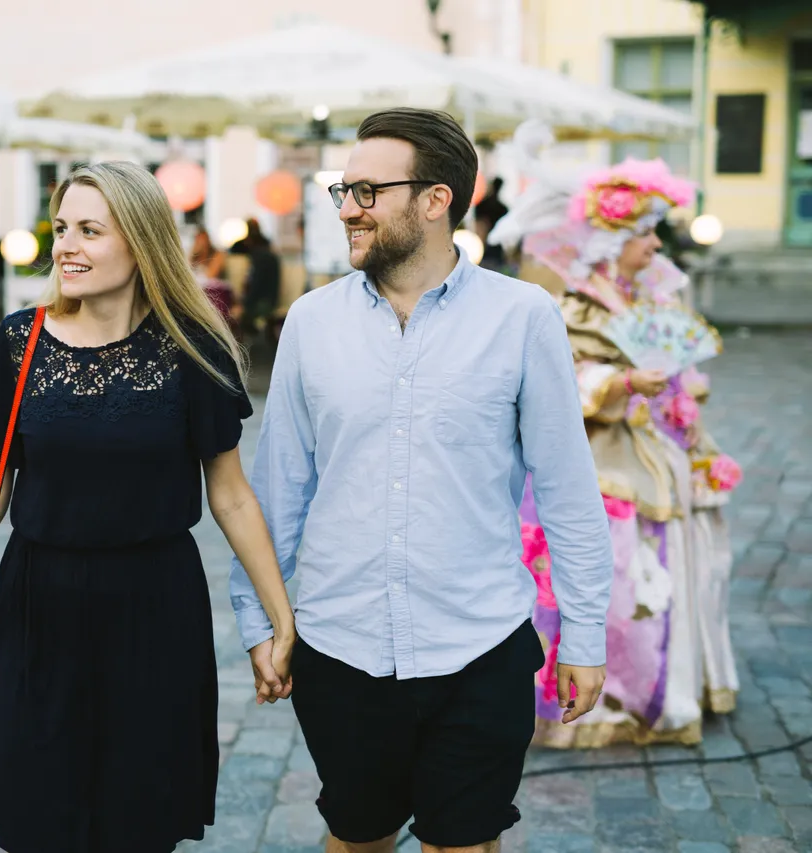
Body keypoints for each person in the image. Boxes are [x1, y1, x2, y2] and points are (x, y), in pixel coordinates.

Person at [229, 107, 613, 853]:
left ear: (435, 200)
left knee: (462, 844)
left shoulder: (523, 316)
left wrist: (585, 634)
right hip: (341, 647)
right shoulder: (310, 322)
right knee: (358, 837)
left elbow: (567, 486)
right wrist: (261, 621)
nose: (347, 208)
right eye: (344, 190)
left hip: (479, 644)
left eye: (368, 191)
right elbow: (279, 489)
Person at [0, 161, 296, 853]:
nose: (67, 246)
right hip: (38, 608)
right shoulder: (20, 344)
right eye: (61, 228)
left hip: (154, 611)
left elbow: (231, 494)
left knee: (138, 823)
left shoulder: (193, 348)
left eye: (90, 229)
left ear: (141, 241)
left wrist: (279, 616)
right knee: (38, 821)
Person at [490, 128, 743, 748]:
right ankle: (602, 700)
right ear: (609, 242)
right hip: (602, 465)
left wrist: (686, 405)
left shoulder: (654, 297)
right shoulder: (573, 307)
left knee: (663, 575)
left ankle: (661, 687)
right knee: (613, 579)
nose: (655, 245)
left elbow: (681, 372)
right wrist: (620, 380)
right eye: (643, 235)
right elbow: (551, 387)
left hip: (659, 456)